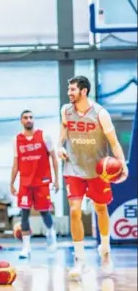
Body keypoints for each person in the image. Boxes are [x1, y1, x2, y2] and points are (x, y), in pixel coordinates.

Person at [58, 76, 128, 279]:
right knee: (74, 211)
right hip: (73, 168)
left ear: (84, 91)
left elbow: (114, 143)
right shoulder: (65, 110)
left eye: (72, 90)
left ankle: (105, 251)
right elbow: (62, 135)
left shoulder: (100, 113)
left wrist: (122, 164)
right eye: (69, 89)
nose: (69, 93)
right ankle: (80, 260)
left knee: (100, 208)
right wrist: (58, 147)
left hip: (98, 170)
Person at [10, 110, 59, 259]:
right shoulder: (16, 140)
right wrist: (11, 183)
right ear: (21, 121)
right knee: (24, 214)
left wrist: (57, 180)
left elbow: (54, 158)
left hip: (42, 181)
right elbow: (16, 163)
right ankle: (26, 247)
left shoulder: (44, 136)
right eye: (25, 117)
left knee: (44, 211)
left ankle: (51, 232)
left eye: (31, 117)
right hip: (25, 182)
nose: (29, 119)